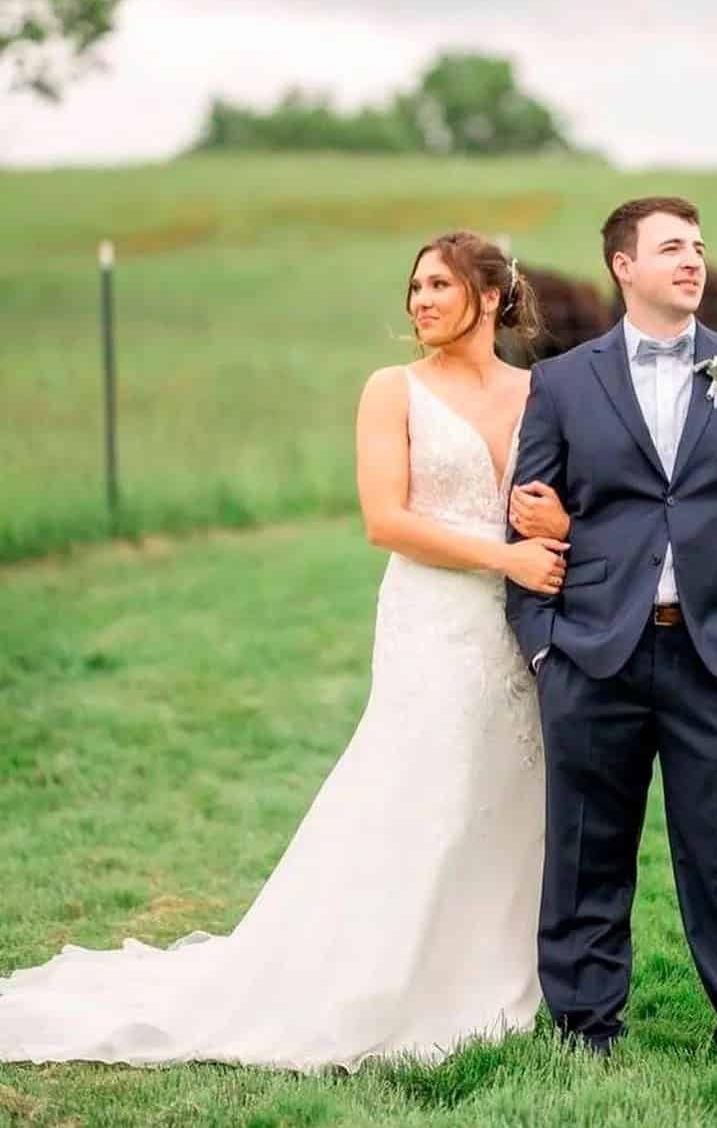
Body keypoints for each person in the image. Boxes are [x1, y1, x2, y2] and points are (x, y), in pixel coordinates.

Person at [0, 232, 572, 1072]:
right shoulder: (392, 390)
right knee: (424, 783)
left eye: (438, 285)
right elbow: (387, 520)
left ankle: (495, 973)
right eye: (413, 285)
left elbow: (570, 494)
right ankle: (382, 980)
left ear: (491, 298)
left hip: (521, 622)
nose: (418, 300)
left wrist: (554, 530)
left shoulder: (543, 392)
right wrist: (506, 555)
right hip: (435, 618)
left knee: (510, 787)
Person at [506, 196, 717, 1068]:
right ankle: (584, 1031)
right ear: (623, 266)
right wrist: (544, 644)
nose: (693, 260)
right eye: (671, 247)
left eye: (699, 247)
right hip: (594, 653)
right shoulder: (563, 382)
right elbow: (525, 522)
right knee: (584, 853)